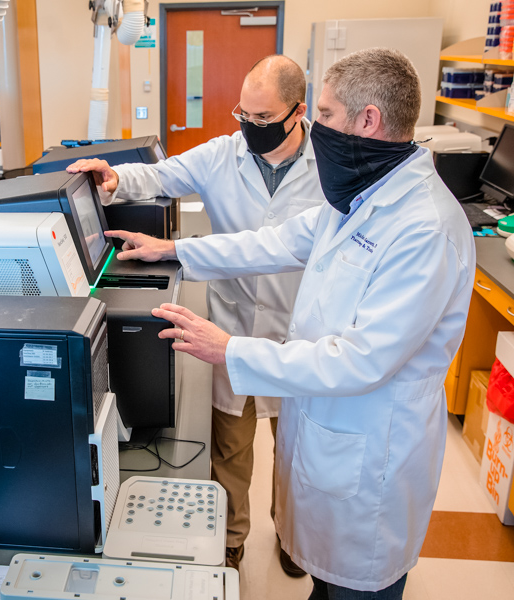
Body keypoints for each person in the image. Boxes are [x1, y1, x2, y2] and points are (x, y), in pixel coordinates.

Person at [105, 47, 475, 599]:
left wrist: (231, 350)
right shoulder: (359, 195)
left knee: (355, 586)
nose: (316, 127)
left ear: (367, 120)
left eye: (324, 114)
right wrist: (174, 251)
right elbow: (273, 241)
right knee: (322, 579)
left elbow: (361, 360)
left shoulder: (425, 228)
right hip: (325, 422)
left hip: (370, 457)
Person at [67, 55, 324, 575]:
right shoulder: (222, 155)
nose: (249, 128)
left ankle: (294, 536)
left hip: (302, 329)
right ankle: (232, 536)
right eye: (243, 116)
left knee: (299, 450)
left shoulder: (330, 160)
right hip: (232, 321)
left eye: (262, 120)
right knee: (231, 445)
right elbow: (159, 174)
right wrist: (112, 177)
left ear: (298, 111)